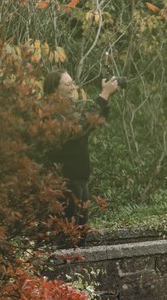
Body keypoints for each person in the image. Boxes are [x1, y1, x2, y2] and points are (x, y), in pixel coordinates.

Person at [42, 68, 123, 235]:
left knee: (81, 234)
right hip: (64, 181)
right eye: (68, 84)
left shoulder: (70, 107)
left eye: (73, 83)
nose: (73, 87)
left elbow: (94, 122)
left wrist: (107, 98)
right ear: (54, 89)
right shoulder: (51, 110)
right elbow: (78, 127)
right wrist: (103, 95)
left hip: (79, 178)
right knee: (68, 235)